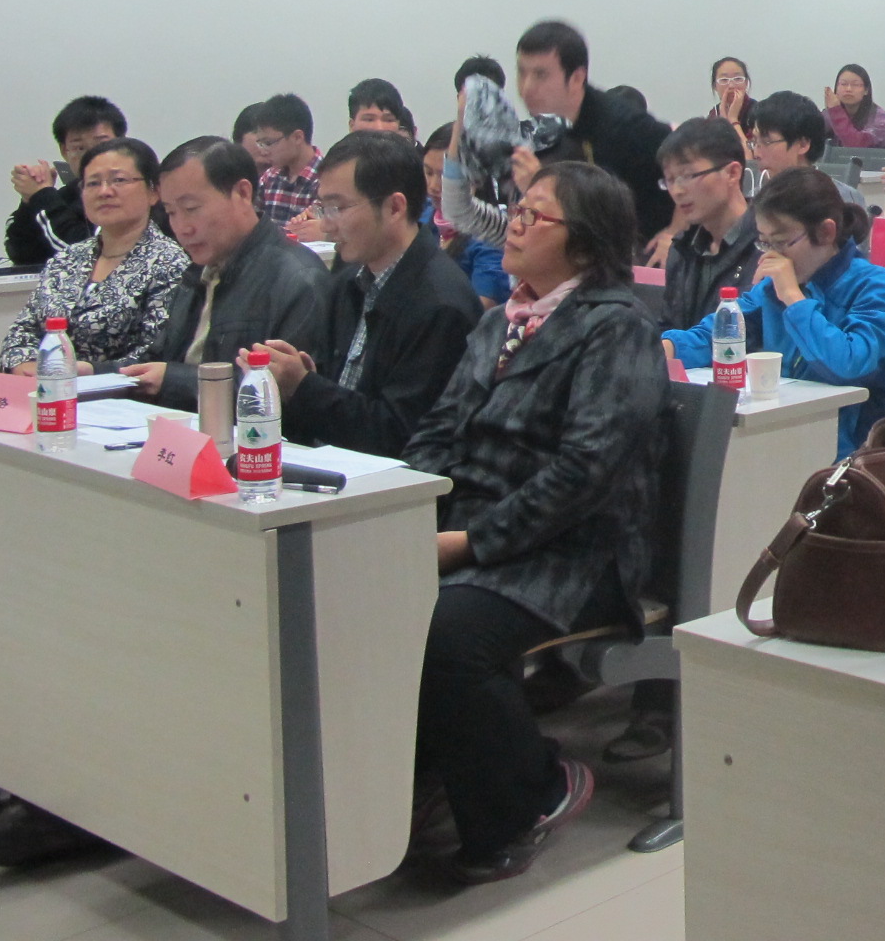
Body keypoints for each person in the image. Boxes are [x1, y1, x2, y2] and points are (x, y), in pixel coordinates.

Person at [402, 162, 664, 882]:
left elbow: (585, 472)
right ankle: (417, 781)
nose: (512, 223)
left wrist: (469, 544)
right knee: (359, 597)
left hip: (574, 552)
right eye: (517, 209)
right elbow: (439, 430)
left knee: (450, 633)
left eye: (534, 215)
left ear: (585, 242)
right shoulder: (501, 321)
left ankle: (530, 795)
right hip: (473, 531)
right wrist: (403, 510)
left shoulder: (617, 329)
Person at [242, 133, 481, 456]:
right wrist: (294, 382)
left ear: (394, 207)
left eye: (338, 207)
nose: (327, 225)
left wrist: (305, 387)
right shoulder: (349, 282)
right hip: (334, 465)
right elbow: (337, 402)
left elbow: (400, 436)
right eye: (323, 207)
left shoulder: (441, 304)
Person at [667, 167, 885, 457]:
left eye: (782, 242)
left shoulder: (877, 286)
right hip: (786, 433)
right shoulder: (774, 287)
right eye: (764, 242)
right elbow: (723, 335)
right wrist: (667, 348)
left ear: (826, 232)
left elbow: (849, 364)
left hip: (856, 454)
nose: (772, 255)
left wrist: (794, 300)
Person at [114, 137, 332, 407]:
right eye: (171, 212)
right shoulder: (197, 271)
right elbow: (156, 360)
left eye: (191, 209)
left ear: (242, 193)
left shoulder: (298, 279)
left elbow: (279, 394)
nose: (182, 228)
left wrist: (172, 381)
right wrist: (94, 372)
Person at [0, 138, 187, 373]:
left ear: (153, 191)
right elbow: (21, 332)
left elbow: (156, 353)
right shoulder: (66, 260)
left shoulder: (170, 263)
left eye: (119, 180)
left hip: (119, 392)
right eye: (93, 183)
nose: (104, 191)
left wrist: (87, 371)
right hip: (45, 386)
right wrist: (22, 365)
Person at [515, 20, 674, 241]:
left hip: (638, 248)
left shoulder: (626, 126)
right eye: (522, 73)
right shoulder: (540, 131)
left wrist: (676, 231)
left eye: (541, 75)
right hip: (591, 245)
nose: (526, 88)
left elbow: (691, 164)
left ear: (576, 78)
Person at [655, 118, 756, 328]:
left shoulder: (766, 246)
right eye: (670, 180)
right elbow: (669, 327)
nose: (677, 191)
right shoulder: (682, 249)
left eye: (688, 175)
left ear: (732, 173)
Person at [4, 94, 126, 266]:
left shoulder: (134, 191)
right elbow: (20, 254)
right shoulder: (67, 196)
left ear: (122, 144)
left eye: (101, 145)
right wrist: (30, 200)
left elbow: (87, 252)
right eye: (79, 147)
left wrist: (43, 196)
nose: (91, 156)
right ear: (64, 151)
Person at [424, 124, 509, 304]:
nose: (433, 186)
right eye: (428, 172)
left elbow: (481, 309)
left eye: (444, 176)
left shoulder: (492, 238)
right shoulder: (422, 216)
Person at [753, 90, 867, 210]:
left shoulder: (845, 201)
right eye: (754, 142)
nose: (756, 153)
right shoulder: (756, 198)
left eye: (766, 142)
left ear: (803, 145)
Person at [251, 92, 322, 228]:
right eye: (261, 143)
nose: (264, 151)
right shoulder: (269, 178)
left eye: (269, 143)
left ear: (297, 137)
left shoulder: (326, 178)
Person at [823, 64, 885, 150]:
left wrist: (836, 111)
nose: (848, 89)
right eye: (843, 84)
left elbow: (857, 147)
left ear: (866, 90)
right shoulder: (828, 114)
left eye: (855, 85)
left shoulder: (879, 117)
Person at [708, 57, 757, 136]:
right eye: (724, 80)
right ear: (715, 86)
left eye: (738, 79)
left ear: (746, 83)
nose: (731, 85)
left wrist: (733, 119)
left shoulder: (758, 112)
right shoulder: (714, 114)